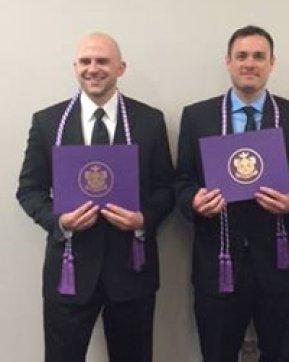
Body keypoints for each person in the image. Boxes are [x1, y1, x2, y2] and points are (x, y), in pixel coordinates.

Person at [16, 32, 175, 362]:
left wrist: (143, 219)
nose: (93, 69)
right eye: (85, 62)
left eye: (102, 61)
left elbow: (166, 188)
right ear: (75, 67)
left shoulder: (149, 121)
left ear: (121, 68)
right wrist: (58, 221)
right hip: (70, 270)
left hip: (132, 271)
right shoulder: (48, 123)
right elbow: (29, 190)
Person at [176, 25, 289, 362]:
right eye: (242, 56)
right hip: (218, 264)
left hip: (280, 263)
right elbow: (181, 181)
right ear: (228, 62)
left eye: (258, 56)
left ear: (271, 63)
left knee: (281, 356)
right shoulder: (198, 116)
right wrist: (194, 201)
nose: (249, 63)